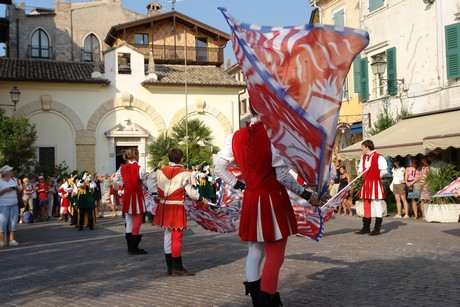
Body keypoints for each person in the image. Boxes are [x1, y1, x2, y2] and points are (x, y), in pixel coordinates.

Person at [214, 109, 318, 307]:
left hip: (252, 199)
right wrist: (307, 195)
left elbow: (219, 168)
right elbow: (283, 177)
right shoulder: (274, 134)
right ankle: (265, 301)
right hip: (272, 200)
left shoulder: (235, 137)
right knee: (275, 256)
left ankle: (258, 299)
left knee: (254, 252)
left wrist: (239, 185)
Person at [151, 148, 210, 276]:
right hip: (176, 206)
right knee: (176, 237)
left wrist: (155, 194)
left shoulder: (160, 172)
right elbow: (192, 193)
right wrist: (202, 199)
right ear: (181, 158)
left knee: (167, 235)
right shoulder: (185, 173)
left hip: (164, 206)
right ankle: (177, 267)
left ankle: (170, 266)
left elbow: (150, 184)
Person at [114, 148, 148, 255]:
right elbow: (145, 182)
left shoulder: (122, 168)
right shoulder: (140, 169)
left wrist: (124, 185)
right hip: (137, 196)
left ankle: (130, 247)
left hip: (127, 196)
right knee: (138, 219)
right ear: (136, 156)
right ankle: (134, 246)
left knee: (129, 220)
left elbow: (115, 179)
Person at [356, 140, 387, 236]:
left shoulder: (379, 157)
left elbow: (384, 170)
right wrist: (359, 173)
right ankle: (366, 227)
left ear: (367, 147)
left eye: (362, 147)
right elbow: (360, 169)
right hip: (366, 182)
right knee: (366, 203)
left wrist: (376, 178)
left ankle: (377, 228)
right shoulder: (363, 157)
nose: (362, 149)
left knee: (377, 203)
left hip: (375, 182)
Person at [0, 165, 20, 247]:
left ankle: (11, 240)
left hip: (14, 203)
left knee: (13, 221)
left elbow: (17, 191)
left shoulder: (13, 180)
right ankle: (1, 240)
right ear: (6, 172)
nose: (12, 172)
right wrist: (6, 190)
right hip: (3, 204)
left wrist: (17, 188)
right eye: (10, 171)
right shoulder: (0, 181)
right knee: (3, 222)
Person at [418, 156, 431, 221]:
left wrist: (424, 183)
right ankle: (424, 214)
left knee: (427, 199)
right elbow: (420, 176)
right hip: (421, 184)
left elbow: (429, 177)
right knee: (422, 200)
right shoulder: (422, 167)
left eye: (424, 159)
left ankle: (428, 214)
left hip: (427, 185)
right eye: (422, 159)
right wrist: (419, 184)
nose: (422, 160)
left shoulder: (429, 167)